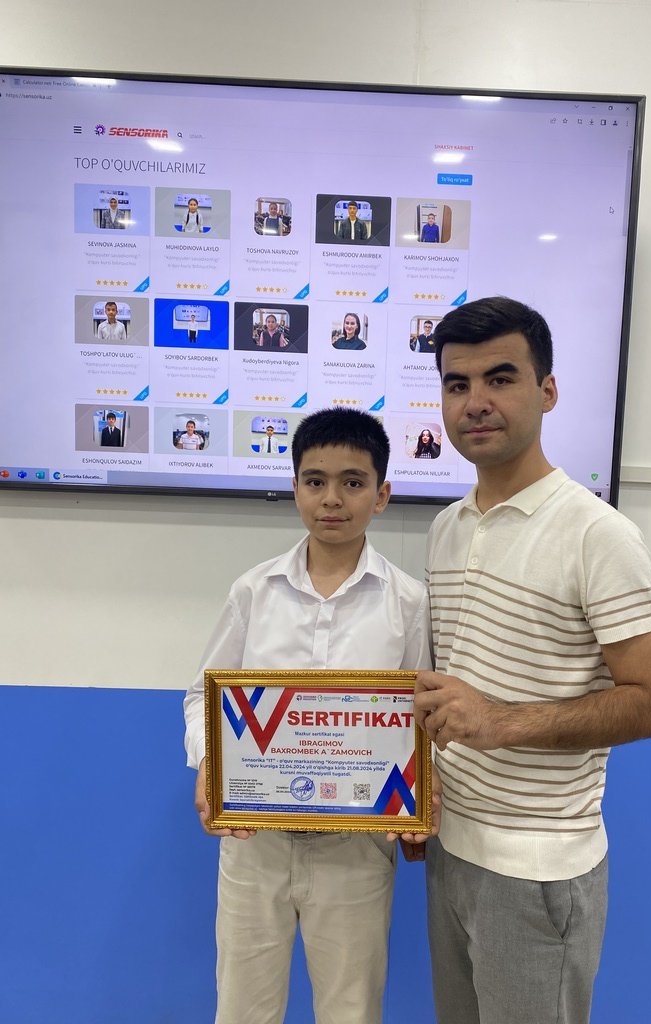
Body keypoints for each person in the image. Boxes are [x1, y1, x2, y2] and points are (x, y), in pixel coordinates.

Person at [412, 296, 651, 1024]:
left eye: (500, 378)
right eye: (458, 384)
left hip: (537, 870)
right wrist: (418, 794)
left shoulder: (598, 534)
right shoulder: (446, 528)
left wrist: (501, 722)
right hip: (450, 848)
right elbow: (451, 692)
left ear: (548, 390)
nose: (476, 402)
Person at [183, 407, 432, 1024]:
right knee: (243, 1007)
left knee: (352, 1008)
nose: (332, 499)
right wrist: (210, 760)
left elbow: (424, 718)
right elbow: (203, 697)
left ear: (382, 495)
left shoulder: (408, 602)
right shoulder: (254, 591)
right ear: (295, 487)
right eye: (315, 481)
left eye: (353, 482)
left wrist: (424, 797)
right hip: (255, 843)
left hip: (357, 847)